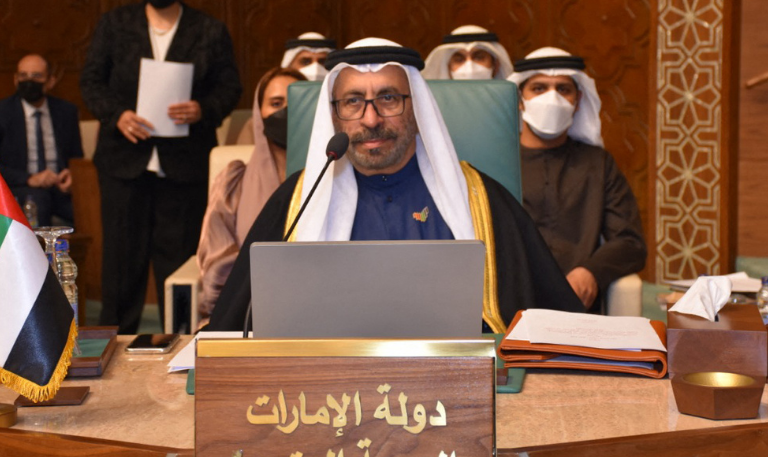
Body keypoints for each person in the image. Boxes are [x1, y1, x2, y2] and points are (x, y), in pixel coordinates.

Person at [208, 38, 584, 334]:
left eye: (388, 98)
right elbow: (236, 326)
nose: (370, 119)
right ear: (335, 117)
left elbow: (547, 320)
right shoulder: (297, 202)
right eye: (353, 101)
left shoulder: (482, 201)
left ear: (417, 109)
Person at [80, 0, 242, 334]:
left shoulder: (209, 29)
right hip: (124, 164)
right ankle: (113, 348)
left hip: (185, 166)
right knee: (120, 265)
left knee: (179, 262)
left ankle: (180, 344)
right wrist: (117, 115)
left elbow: (230, 88)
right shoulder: (114, 23)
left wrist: (202, 109)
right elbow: (91, 82)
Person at [507, 47, 647, 311]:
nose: (552, 98)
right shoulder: (497, 162)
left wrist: (591, 271)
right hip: (512, 304)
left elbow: (631, 242)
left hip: (578, 307)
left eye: (563, 89)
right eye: (539, 88)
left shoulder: (598, 164)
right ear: (520, 99)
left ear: (578, 100)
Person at [197, 67, 306, 318]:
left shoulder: (335, 179)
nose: (285, 112)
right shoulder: (234, 182)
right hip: (244, 315)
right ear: (259, 114)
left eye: (295, 103)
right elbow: (215, 262)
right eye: (276, 103)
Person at [0, 54, 82, 227]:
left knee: (91, 206)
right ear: (15, 80)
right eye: (23, 76)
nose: (29, 81)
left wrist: (71, 176)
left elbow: (77, 157)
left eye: (36, 76)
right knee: (39, 201)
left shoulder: (66, 112)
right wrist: (29, 178)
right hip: (19, 188)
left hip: (60, 189)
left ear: (50, 81)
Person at [422, 25, 513, 81]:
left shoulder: (513, 105)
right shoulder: (437, 106)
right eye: (459, 59)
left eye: (479, 58)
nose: (470, 67)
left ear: (496, 66)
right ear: (448, 67)